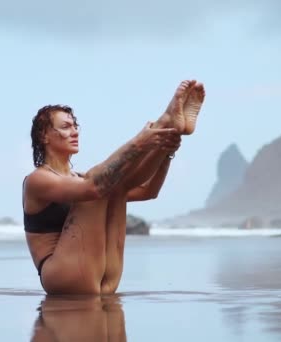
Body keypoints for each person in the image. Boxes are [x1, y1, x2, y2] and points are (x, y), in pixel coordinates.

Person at [22, 80, 205, 295]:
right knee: (99, 185)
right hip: (61, 275)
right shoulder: (38, 180)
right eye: (65, 127)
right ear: (44, 136)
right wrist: (139, 142)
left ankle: (170, 126)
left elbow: (148, 191)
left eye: (75, 126)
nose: (74, 132)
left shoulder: (79, 178)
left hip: (102, 272)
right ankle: (166, 120)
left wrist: (165, 152)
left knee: (115, 189)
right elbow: (94, 187)